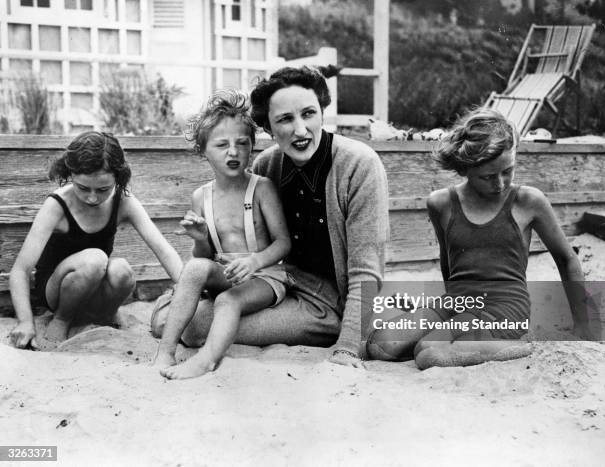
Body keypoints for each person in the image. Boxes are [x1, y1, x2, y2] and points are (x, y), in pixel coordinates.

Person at [152, 66, 389, 367]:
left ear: (322, 112)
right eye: (285, 119)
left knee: (196, 326)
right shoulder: (268, 165)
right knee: (188, 317)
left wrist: (347, 348)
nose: (300, 130)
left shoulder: (359, 164)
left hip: (328, 302)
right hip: (277, 283)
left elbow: (366, 271)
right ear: (269, 129)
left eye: (309, 114)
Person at [367, 108, 594, 369]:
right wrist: (445, 315)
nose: (499, 183)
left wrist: (583, 325)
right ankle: (459, 335)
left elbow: (567, 259)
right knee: (380, 346)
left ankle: (522, 343)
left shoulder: (528, 201)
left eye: (508, 171)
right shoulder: (441, 203)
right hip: (459, 302)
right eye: (487, 176)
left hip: (504, 307)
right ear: (465, 170)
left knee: (429, 353)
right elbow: (447, 262)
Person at [153, 90, 292, 379]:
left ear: (251, 147)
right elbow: (204, 259)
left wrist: (254, 262)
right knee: (193, 268)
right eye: (221, 145)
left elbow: (283, 243)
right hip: (225, 273)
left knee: (227, 302)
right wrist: (201, 237)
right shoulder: (201, 197)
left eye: (242, 143)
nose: (233, 152)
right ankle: (165, 352)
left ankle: (206, 360)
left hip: (264, 276)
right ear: (203, 150)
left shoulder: (261, 188)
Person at [9, 131, 183, 350]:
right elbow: (20, 270)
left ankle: (104, 317)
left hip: (95, 287)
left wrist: (190, 291)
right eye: (83, 188)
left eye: (103, 189)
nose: (92, 197)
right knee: (95, 259)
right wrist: (25, 322)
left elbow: (164, 250)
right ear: (70, 173)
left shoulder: (123, 202)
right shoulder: (57, 205)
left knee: (122, 270)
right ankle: (62, 320)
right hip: (57, 290)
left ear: (118, 180)